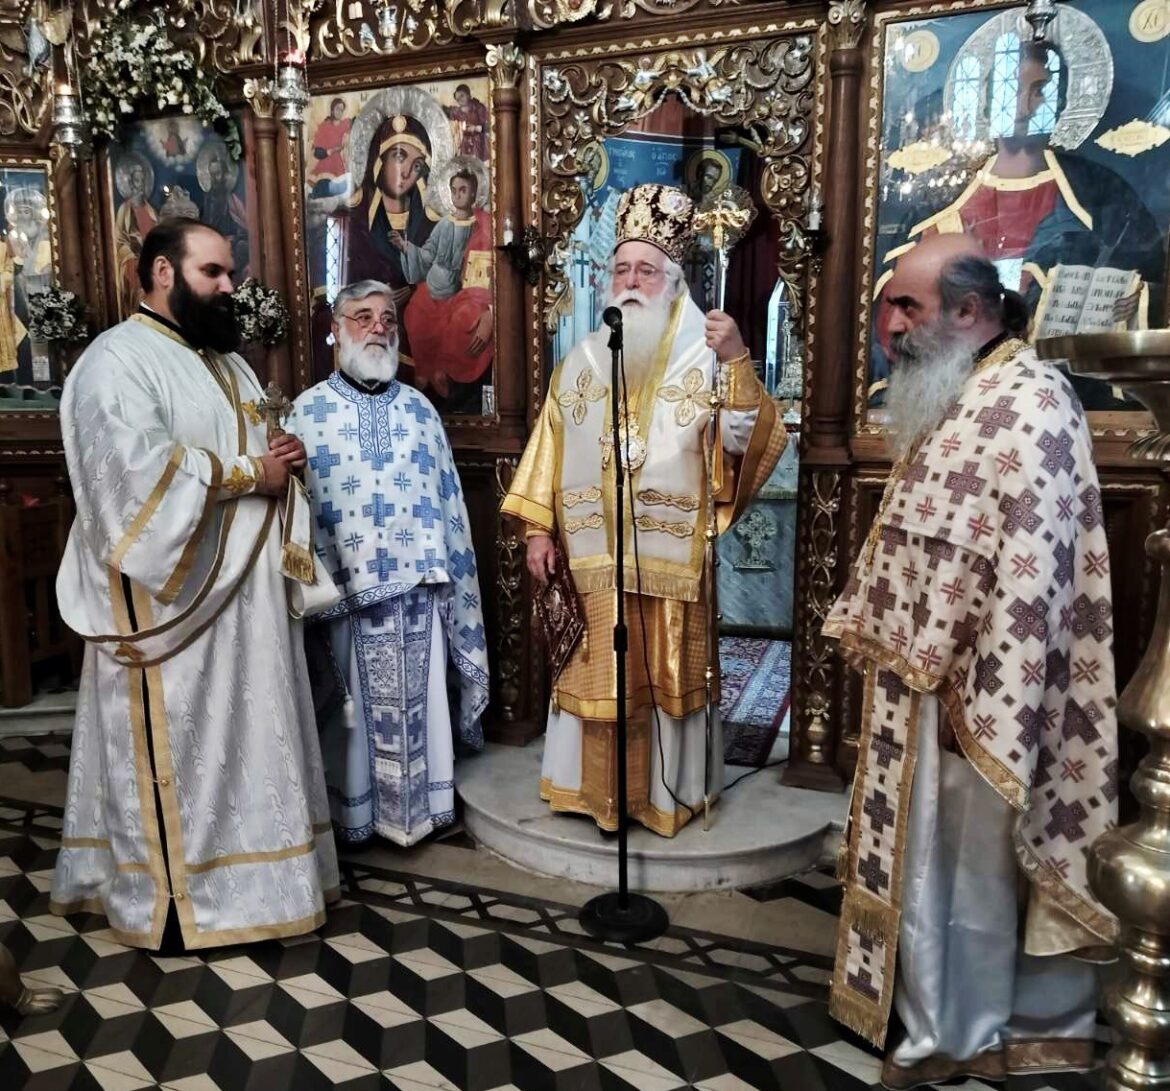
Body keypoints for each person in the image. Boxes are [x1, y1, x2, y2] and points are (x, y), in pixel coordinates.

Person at [825, 233, 1118, 1088]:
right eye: (887, 305)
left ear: (968, 309)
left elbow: (1035, 567)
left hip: (983, 697)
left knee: (971, 871)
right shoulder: (963, 390)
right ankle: (933, 1011)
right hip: (922, 681)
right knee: (934, 868)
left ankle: (970, 1029)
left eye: (906, 306)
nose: (888, 325)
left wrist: (993, 698)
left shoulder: (1032, 402)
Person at [51, 220, 340, 951]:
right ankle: (182, 904)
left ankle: (263, 890)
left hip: (248, 610)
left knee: (256, 747)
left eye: (229, 272)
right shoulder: (115, 362)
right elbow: (132, 480)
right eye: (213, 272)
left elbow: (257, 454)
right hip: (173, 610)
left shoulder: (229, 363)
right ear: (160, 273)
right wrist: (251, 473)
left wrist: (283, 456)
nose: (228, 286)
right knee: (183, 753)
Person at [502, 183, 787, 837]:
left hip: (668, 558)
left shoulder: (706, 354)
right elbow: (548, 448)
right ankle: (593, 793)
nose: (631, 282)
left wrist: (737, 360)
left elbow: (741, 441)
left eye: (646, 271)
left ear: (673, 280)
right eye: (622, 269)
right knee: (597, 671)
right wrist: (538, 531)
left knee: (659, 672)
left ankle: (661, 796)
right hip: (592, 559)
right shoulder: (580, 360)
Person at [291, 280, 489, 846]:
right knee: (348, 717)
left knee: (421, 705)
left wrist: (449, 576)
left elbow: (448, 503)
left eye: (386, 319)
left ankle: (421, 811)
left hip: (418, 593)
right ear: (336, 329)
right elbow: (297, 511)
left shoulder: (421, 411)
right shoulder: (307, 412)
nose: (378, 328)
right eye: (363, 317)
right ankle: (356, 817)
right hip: (342, 599)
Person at [871, 38, 1162, 410]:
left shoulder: (1100, 195)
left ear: (1060, 102)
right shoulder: (937, 206)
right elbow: (890, 300)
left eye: (1040, 90)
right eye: (1010, 89)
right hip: (949, 396)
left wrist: (1133, 297)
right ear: (988, 102)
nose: (1025, 105)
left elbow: (1145, 277)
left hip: (1059, 396)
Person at [392, 166, 493, 402]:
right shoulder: (445, 224)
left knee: (461, 320)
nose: (458, 195)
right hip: (435, 285)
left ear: (474, 193)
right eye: (454, 190)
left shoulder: (484, 225)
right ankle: (424, 368)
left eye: (463, 190)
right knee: (415, 312)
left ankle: (444, 369)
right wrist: (407, 248)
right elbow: (428, 254)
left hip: (465, 291)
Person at [114, 158, 159, 315]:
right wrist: (133, 252)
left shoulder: (151, 211)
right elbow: (119, 241)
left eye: (142, 181)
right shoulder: (124, 210)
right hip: (133, 261)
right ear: (131, 183)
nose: (139, 185)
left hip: (152, 261)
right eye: (136, 181)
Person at [310, 97, 352, 197]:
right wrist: (331, 151)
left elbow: (356, 123)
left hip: (338, 164)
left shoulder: (345, 124)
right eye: (337, 109)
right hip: (326, 163)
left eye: (342, 110)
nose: (340, 112)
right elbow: (317, 152)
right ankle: (316, 193)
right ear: (332, 110)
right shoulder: (324, 126)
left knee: (343, 188)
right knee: (324, 186)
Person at [445, 84, 489, 161]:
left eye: (462, 96)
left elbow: (489, 126)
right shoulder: (456, 112)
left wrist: (475, 128)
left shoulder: (478, 108)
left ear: (468, 95)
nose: (460, 99)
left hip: (479, 144)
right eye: (457, 98)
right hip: (465, 145)